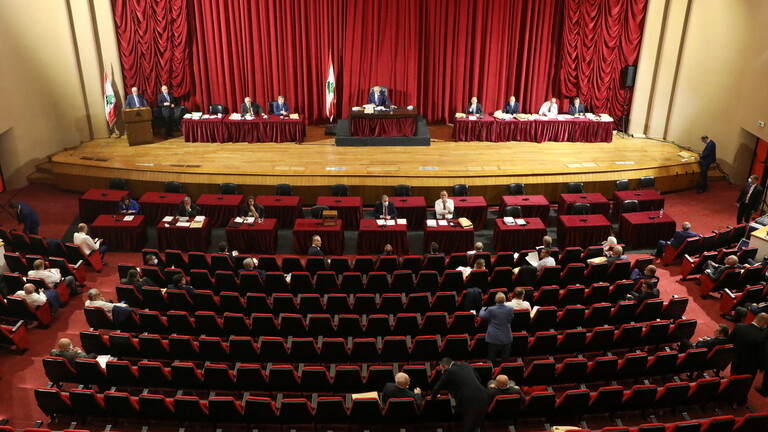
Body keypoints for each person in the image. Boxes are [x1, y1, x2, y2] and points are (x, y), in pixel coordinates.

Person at [431, 357, 489, 432]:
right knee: (476, 426)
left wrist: (433, 399)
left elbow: (438, 387)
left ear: (446, 366)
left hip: (471, 401)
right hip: (483, 396)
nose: (442, 372)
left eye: (442, 369)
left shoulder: (449, 371)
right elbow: (478, 379)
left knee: (469, 428)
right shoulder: (466, 365)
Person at [727, 313, 768, 389]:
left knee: (732, 380)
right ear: (762, 322)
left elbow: (729, 340)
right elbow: (762, 354)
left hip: (736, 361)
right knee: (744, 386)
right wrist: (762, 366)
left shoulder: (739, 326)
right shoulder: (763, 336)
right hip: (750, 367)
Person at [479, 292, 514, 366]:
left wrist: (482, 310)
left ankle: (492, 371)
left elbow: (482, 316)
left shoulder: (491, 309)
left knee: (491, 359)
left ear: (495, 300)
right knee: (506, 360)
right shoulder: (510, 309)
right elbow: (511, 318)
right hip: (506, 337)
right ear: (505, 300)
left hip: (493, 338)